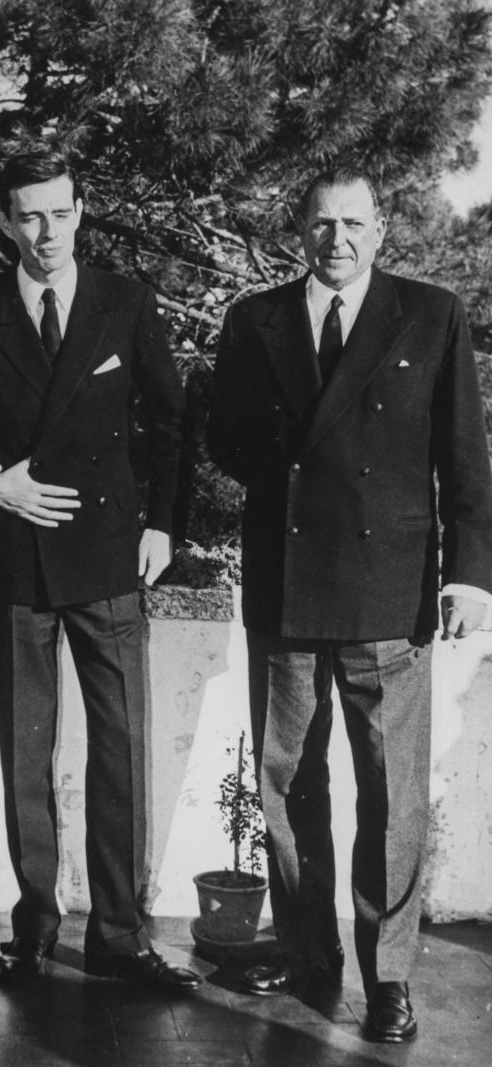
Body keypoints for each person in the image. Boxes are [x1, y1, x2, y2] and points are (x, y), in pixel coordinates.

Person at [208, 167, 492, 1043]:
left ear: (383, 231)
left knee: (391, 791)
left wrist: (471, 572)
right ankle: (308, 950)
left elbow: (466, 456)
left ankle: (391, 974)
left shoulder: (432, 313)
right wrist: (294, 471)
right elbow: (226, 437)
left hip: (389, 588)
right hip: (287, 585)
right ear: (299, 227)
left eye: (356, 223)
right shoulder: (253, 321)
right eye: (323, 222)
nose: (339, 239)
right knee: (288, 778)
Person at [0, 148, 200, 991]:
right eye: (28, 215)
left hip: (114, 557)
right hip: (16, 559)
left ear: (81, 210)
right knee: (27, 752)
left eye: (59, 212)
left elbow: (173, 421)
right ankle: (36, 921)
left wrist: (164, 525)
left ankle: (121, 931)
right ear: (6, 220)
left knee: (119, 748)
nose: (46, 232)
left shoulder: (126, 301)